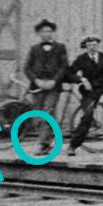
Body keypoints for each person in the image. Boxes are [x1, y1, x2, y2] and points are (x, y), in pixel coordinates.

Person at [22, 19, 69, 155]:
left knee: (47, 111)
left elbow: (64, 66)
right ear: (39, 34)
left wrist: (54, 81)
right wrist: (36, 80)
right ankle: (49, 140)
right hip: (37, 86)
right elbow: (27, 68)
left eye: (49, 31)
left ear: (53, 33)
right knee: (39, 114)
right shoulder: (34, 49)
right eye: (43, 31)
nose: (46, 34)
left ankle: (42, 144)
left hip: (53, 86)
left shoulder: (60, 48)